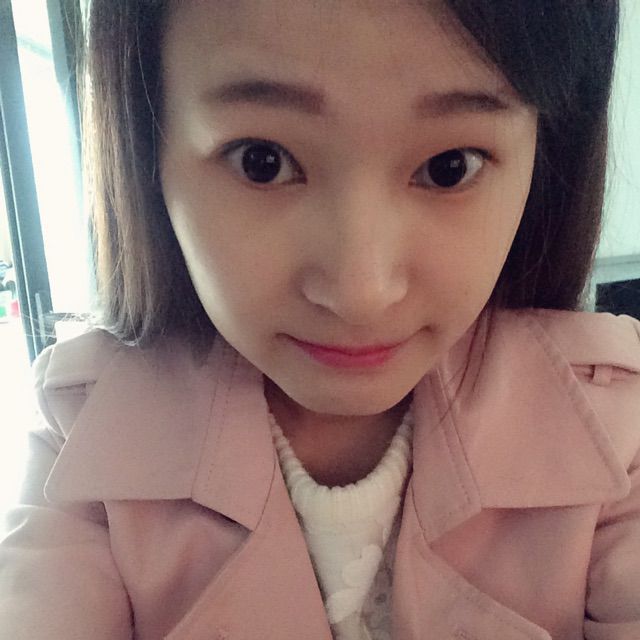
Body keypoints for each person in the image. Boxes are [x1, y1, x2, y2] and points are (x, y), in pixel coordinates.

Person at [1, 1, 638, 638]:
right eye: (262, 161)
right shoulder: (77, 434)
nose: (361, 293)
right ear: (148, 150)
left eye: (450, 168)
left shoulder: (621, 425)